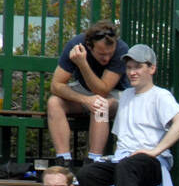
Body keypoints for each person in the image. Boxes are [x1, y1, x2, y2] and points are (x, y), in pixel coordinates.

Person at [77, 46, 179, 186]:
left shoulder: (160, 95)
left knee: (126, 167)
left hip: (151, 163)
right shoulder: (126, 95)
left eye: (137, 67)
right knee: (87, 174)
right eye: (129, 67)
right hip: (124, 160)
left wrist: (154, 151)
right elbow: (116, 115)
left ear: (151, 68)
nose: (132, 72)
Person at [47, 20, 128, 165]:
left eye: (110, 53)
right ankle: (63, 160)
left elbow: (102, 90)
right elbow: (56, 85)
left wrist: (82, 64)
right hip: (85, 92)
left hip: (115, 95)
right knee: (54, 102)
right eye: (101, 54)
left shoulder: (121, 49)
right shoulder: (76, 45)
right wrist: (85, 100)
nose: (106, 58)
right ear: (89, 47)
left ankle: (93, 160)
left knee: (100, 104)